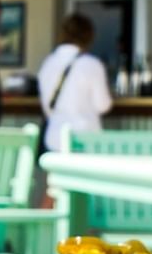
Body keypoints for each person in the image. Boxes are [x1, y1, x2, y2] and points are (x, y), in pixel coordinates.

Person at [37, 13, 113, 152]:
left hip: (54, 139)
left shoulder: (48, 64)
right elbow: (103, 105)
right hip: (86, 140)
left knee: (56, 174)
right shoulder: (91, 65)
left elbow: (47, 108)